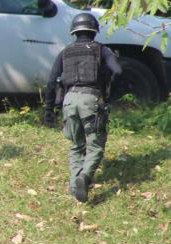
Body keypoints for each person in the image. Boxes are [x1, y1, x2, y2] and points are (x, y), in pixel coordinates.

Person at [44, 12, 122, 203]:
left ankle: (74, 186)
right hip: (91, 100)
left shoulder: (65, 52)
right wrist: (110, 89)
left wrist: (48, 111)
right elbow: (118, 71)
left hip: (69, 101)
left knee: (76, 145)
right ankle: (85, 177)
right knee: (95, 146)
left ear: (74, 32)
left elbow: (51, 82)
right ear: (94, 31)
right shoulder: (102, 50)